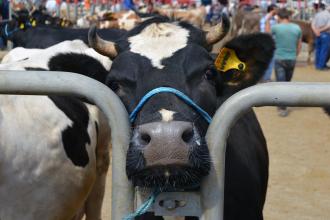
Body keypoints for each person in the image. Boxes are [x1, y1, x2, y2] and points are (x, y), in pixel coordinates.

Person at [266, 8, 302, 117]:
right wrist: (294, 55)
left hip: (279, 58)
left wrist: (268, 18)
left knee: (280, 84)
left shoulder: (276, 27)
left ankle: (282, 107)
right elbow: (299, 45)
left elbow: (267, 34)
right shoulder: (297, 28)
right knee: (287, 82)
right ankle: (285, 103)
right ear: (289, 17)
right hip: (292, 59)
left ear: (279, 18)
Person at [260, 3, 277, 82]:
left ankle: (266, 77)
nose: (277, 10)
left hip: (272, 42)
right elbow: (265, 32)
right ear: (272, 10)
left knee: (270, 61)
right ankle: (266, 78)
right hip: (267, 42)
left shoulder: (274, 19)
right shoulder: (266, 19)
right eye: (276, 9)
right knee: (268, 60)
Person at [311, 3, 330, 70]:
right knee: (324, 50)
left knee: (318, 50)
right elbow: (328, 26)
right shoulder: (328, 15)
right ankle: (321, 66)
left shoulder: (317, 14)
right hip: (326, 34)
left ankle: (317, 65)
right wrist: (320, 30)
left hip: (317, 34)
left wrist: (316, 31)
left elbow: (312, 24)